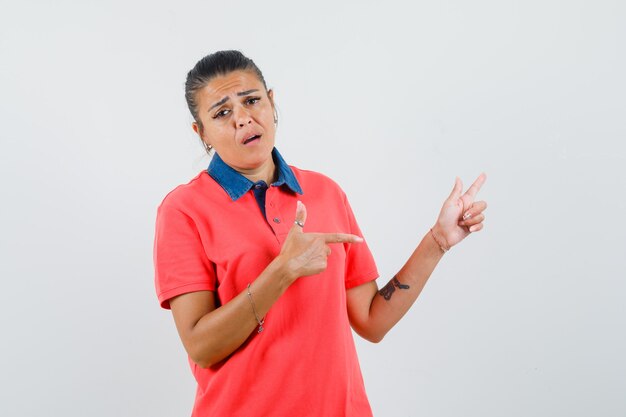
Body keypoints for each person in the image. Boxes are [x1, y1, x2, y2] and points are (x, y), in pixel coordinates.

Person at [153, 50, 487, 417]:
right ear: (201, 133)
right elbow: (201, 346)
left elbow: (372, 321)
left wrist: (437, 241)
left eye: (252, 101)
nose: (243, 119)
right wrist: (282, 271)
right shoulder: (184, 210)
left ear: (272, 102)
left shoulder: (325, 192)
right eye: (222, 112)